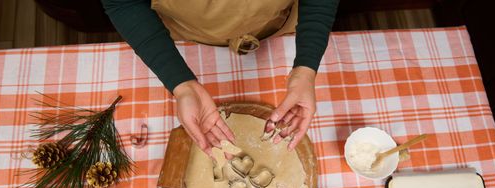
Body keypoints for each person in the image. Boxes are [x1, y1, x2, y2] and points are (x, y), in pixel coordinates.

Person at [102, 0, 339, 155]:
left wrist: (306, 67)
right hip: (187, 35)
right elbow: (123, 3)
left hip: (277, 26)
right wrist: (181, 84)